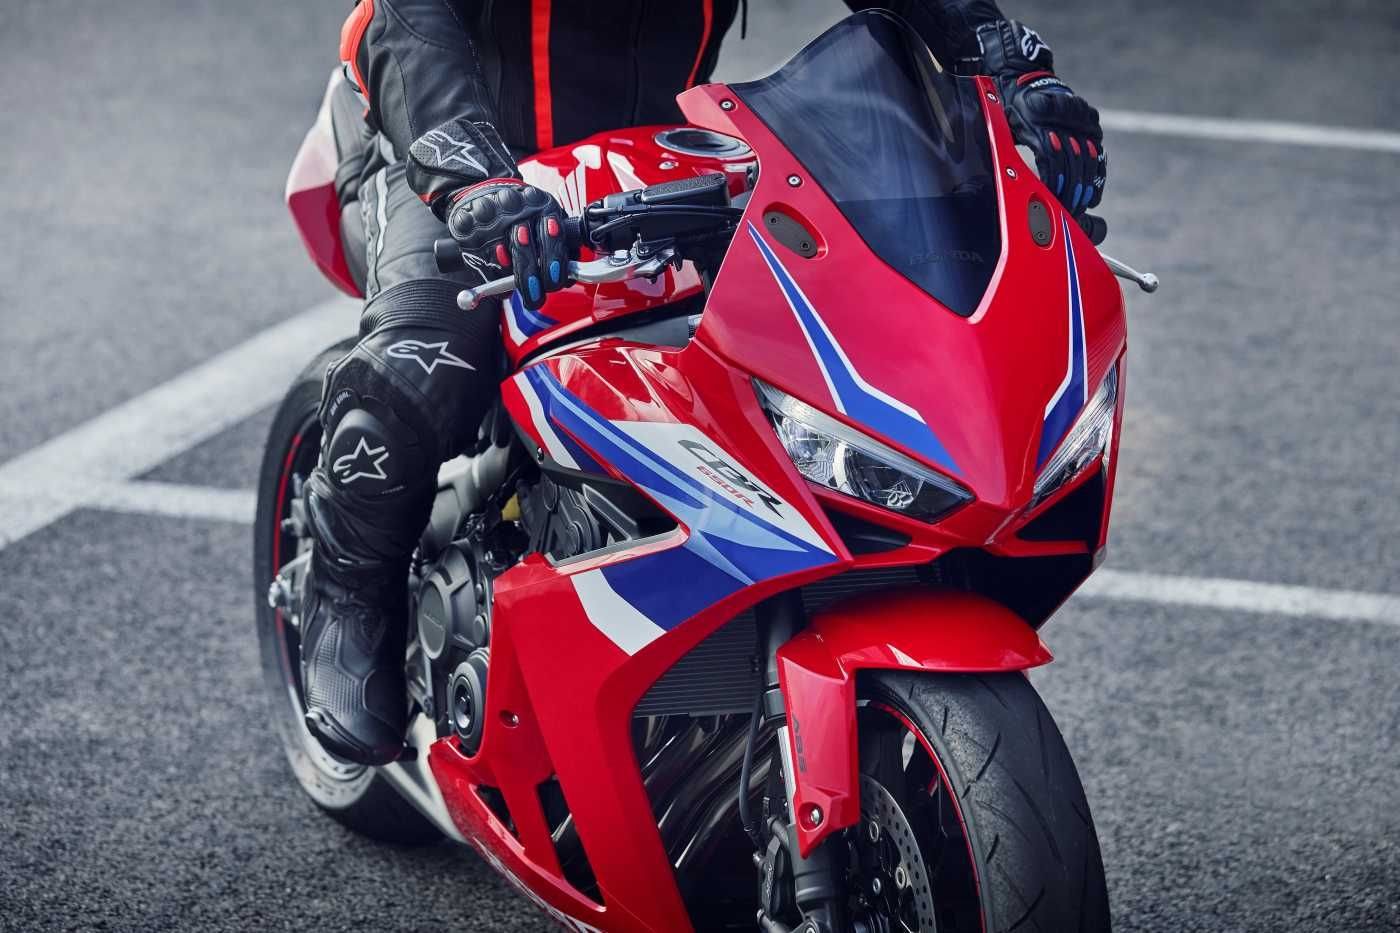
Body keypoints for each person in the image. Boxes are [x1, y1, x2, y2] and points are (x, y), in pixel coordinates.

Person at [300, 0, 1108, 766]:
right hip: (444, 155)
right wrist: (468, 171)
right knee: (423, 361)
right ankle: (348, 594)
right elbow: (404, 17)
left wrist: (1012, 68)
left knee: (812, 325)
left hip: (644, 160)